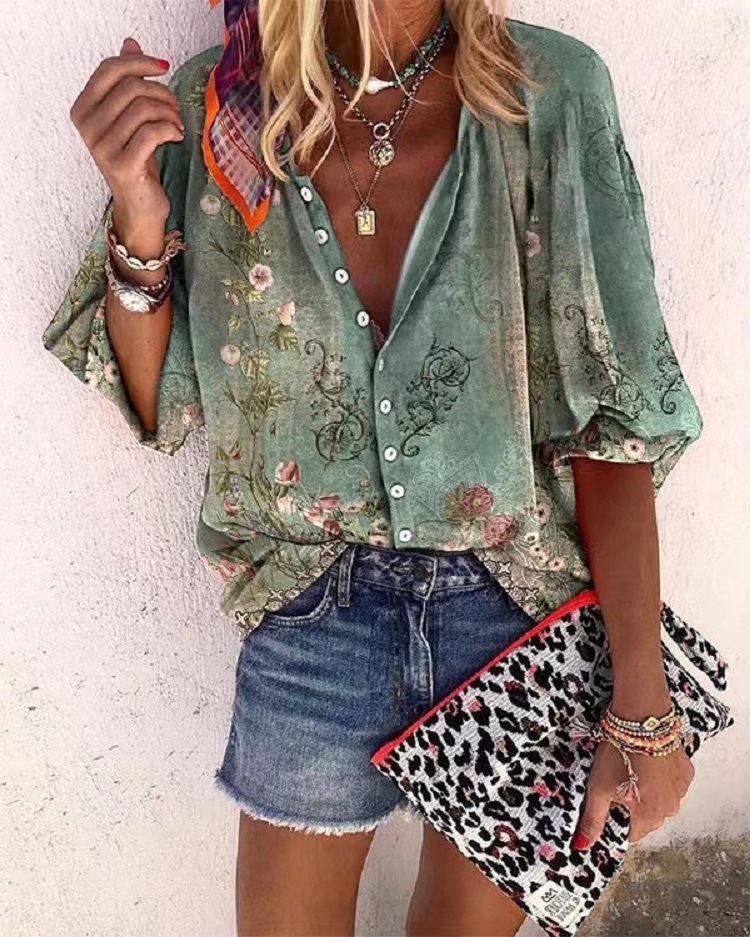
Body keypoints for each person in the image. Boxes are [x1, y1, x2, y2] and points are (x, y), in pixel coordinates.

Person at [42, 1, 705, 934]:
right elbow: (160, 403)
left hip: (518, 613)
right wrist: (138, 209)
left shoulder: (548, 94)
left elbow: (612, 421)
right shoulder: (216, 111)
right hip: (313, 614)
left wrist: (643, 708)